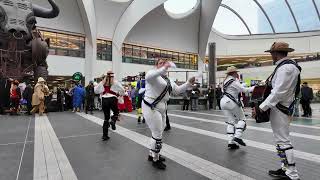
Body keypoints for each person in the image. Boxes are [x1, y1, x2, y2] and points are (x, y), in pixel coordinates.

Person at [142, 58, 195, 170]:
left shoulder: (168, 79)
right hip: (152, 106)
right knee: (157, 134)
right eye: (161, 63)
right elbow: (148, 77)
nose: (164, 65)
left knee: (159, 131)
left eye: (165, 63)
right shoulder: (152, 74)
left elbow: (177, 90)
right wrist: (164, 68)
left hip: (162, 107)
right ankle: (155, 159)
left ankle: (152, 154)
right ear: (156, 66)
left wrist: (188, 83)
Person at [259, 42, 301, 180]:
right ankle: (286, 169)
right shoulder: (287, 67)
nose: (271, 56)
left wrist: (262, 107)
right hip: (280, 107)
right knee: (280, 141)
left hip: (280, 108)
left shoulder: (286, 68)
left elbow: (278, 92)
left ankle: (292, 174)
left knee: (283, 141)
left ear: (276, 53)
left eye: (271, 53)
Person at [220, 66, 254, 150]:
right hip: (231, 102)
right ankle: (237, 136)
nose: (237, 74)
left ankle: (231, 142)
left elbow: (235, 89)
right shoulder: (234, 81)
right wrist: (256, 87)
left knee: (230, 122)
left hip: (223, 102)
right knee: (242, 119)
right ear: (234, 73)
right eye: (236, 72)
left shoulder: (225, 81)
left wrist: (243, 84)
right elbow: (245, 90)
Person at [94, 71, 125, 141]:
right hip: (113, 99)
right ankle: (113, 121)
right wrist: (120, 94)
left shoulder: (102, 83)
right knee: (116, 112)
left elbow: (95, 91)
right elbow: (122, 90)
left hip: (104, 99)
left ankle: (105, 136)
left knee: (106, 118)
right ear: (112, 76)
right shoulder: (115, 82)